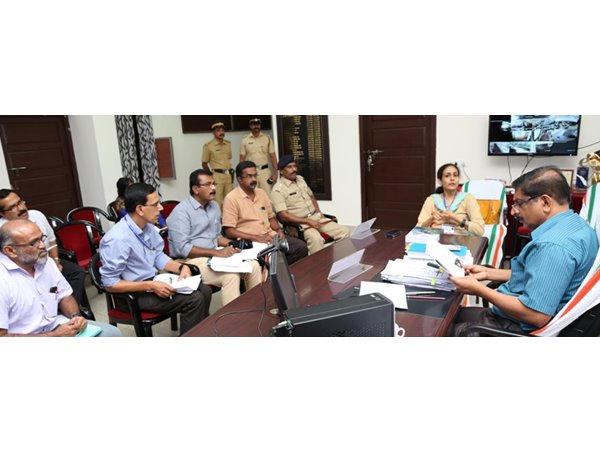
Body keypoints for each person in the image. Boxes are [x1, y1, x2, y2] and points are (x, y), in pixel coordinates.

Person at [450, 166, 599, 336]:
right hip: (515, 317)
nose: (514, 211)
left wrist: (479, 289)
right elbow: (541, 275)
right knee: (453, 315)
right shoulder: (577, 225)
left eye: (519, 203)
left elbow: (536, 315)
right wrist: (488, 273)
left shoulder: (552, 247)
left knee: (439, 327)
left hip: (516, 327)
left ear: (545, 202)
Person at [99, 182, 212, 335]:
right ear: (140, 209)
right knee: (194, 300)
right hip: (132, 294)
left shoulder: (148, 227)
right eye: (155, 205)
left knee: (204, 291)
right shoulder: (117, 239)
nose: (161, 208)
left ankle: (201, 335)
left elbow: (157, 255)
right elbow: (110, 284)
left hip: (151, 283)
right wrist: (150, 285)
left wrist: (181, 267)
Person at [0, 219, 121, 337]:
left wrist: (75, 317)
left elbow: (64, 296)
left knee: (112, 333)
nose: (42, 245)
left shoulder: (47, 263)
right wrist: (54, 336)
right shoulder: (3, 280)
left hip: (56, 325)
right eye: (33, 243)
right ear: (10, 251)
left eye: (42, 238)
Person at [167, 169, 263, 306]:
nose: (213, 188)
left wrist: (233, 244)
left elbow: (216, 237)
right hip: (189, 261)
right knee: (231, 277)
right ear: (195, 189)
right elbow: (183, 249)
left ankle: (257, 308)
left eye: (214, 184)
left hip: (214, 256)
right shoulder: (181, 212)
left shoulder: (214, 206)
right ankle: (234, 318)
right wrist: (217, 253)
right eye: (208, 184)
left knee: (253, 265)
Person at [0, 188, 88, 314]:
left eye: (20, 202)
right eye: (13, 207)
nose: (21, 208)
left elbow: (51, 240)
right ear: (2, 214)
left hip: (46, 260)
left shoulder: (37, 215)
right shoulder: (3, 230)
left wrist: (56, 261)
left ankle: (67, 309)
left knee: (76, 272)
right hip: (25, 266)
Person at [222, 161, 308, 265]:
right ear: (239, 179)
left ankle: (281, 271)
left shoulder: (261, 193)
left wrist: (279, 230)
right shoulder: (231, 198)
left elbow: (270, 218)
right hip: (251, 241)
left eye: (255, 175)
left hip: (270, 236)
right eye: (249, 176)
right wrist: (256, 238)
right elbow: (229, 231)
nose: (254, 179)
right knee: (273, 257)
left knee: (301, 247)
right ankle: (274, 271)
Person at [271, 155, 350, 255]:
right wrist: (307, 221)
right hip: (299, 225)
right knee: (316, 239)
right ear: (281, 171)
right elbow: (283, 216)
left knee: (345, 231)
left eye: (294, 166)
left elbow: (312, 197)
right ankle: (319, 264)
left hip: (315, 218)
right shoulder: (278, 190)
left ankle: (340, 259)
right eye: (290, 167)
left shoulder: (300, 179)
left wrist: (319, 212)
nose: (294, 169)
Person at [416, 163, 485, 236]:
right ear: (440, 181)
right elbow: (418, 230)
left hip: (461, 240)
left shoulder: (468, 198)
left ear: (458, 179)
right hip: (435, 239)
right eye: (447, 176)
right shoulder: (431, 200)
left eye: (455, 175)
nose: (452, 178)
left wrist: (454, 218)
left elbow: (480, 230)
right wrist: (431, 219)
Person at [240, 117, 278, 194]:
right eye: (254, 124)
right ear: (250, 126)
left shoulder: (267, 138)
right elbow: (242, 160)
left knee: (267, 195)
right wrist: (242, 176)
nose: (256, 126)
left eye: (257, 124)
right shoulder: (244, 140)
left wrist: (276, 173)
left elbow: (273, 157)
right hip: (251, 173)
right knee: (252, 194)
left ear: (260, 125)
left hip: (265, 173)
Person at [202, 120, 233, 209]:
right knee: (217, 201)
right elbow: (204, 163)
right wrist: (210, 178)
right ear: (213, 133)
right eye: (218, 131)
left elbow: (229, 158)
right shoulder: (208, 146)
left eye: (222, 130)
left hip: (228, 176)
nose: (221, 132)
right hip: (217, 176)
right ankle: (218, 217)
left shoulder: (228, 144)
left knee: (230, 200)